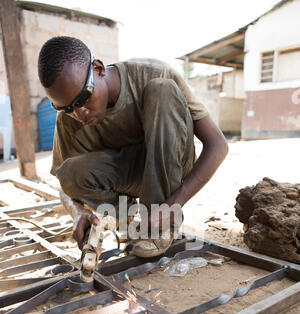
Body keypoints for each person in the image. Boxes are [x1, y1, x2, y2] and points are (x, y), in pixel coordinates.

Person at [38, 36, 228, 257]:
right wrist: (78, 212)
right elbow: (64, 182)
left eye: (82, 98)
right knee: (70, 172)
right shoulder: (70, 118)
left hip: (172, 164)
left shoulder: (154, 73)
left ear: (98, 69)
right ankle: (125, 218)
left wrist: (174, 204)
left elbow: (218, 145)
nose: (79, 113)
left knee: (162, 90)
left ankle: (160, 225)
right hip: (130, 176)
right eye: (66, 107)